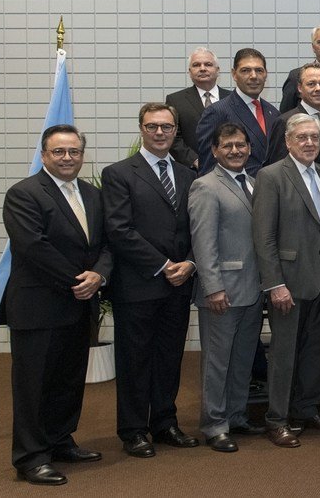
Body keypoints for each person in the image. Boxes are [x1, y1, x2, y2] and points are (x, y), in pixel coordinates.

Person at [2, 125, 110, 485]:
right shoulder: (24, 194)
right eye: (59, 152)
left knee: (68, 380)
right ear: (45, 154)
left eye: (74, 152)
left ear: (83, 154)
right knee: (34, 385)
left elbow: (108, 245)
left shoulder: (94, 196)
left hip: (79, 306)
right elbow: (34, 246)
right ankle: (31, 457)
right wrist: (79, 280)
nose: (68, 158)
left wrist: (99, 275)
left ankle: (60, 440)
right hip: (38, 306)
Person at [103, 103, 199, 457]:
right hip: (139, 283)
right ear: (141, 129)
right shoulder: (119, 173)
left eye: (167, 127)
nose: (160, 133)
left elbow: (196, 230)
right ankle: (133, 430)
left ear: (176, 131)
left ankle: (164, 422)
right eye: (153, 126)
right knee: (134, 360)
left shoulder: (188, 176)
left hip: (180, 284)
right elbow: (119, 230)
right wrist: (163, 265)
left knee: (169, 356)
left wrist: (189, 263)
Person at [252, 113, 320, 448]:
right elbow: (264, 238)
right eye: (302, 137)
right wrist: (275, 284)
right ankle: (277, 419)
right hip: (288, 281)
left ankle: (306, 409)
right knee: (284, 353)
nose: (308, 143)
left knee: (317, 349)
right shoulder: (271, 176)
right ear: (288, 141)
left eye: (314, 138)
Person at [188, 123, 265, 453]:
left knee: (242, 359)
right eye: (228, 146)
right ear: (215, 151)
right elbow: (203, 243)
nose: (236, 151)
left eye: (241, 145)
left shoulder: (254, 183)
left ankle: (236, 416)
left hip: (252, 289)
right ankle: (214, 424)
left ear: (249, 148)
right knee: (217, 363)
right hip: (223, 292)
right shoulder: (205, 187)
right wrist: (213, 288)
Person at [194, 48, 280, 176]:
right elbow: (208, 167)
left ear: (266, 74)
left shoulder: (273, 112)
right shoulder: (217, 111)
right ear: (234, 74)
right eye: (245, 70)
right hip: (236, 191)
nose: (253, 76)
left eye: (259, 70)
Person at [166, 47, 231, 169]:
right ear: (189, 71)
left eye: (208, 64)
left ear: (218, 70)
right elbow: (172, 137)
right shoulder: (175, 100)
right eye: (196, 65)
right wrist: (195, 161)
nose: (202, 68)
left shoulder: (234, 99)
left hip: (230, 167)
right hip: (193, 171)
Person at [272, 62, 320, 169]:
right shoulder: (285, 121)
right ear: (300, 88)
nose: (318, 89)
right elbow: (277, 166)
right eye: (311, 84)